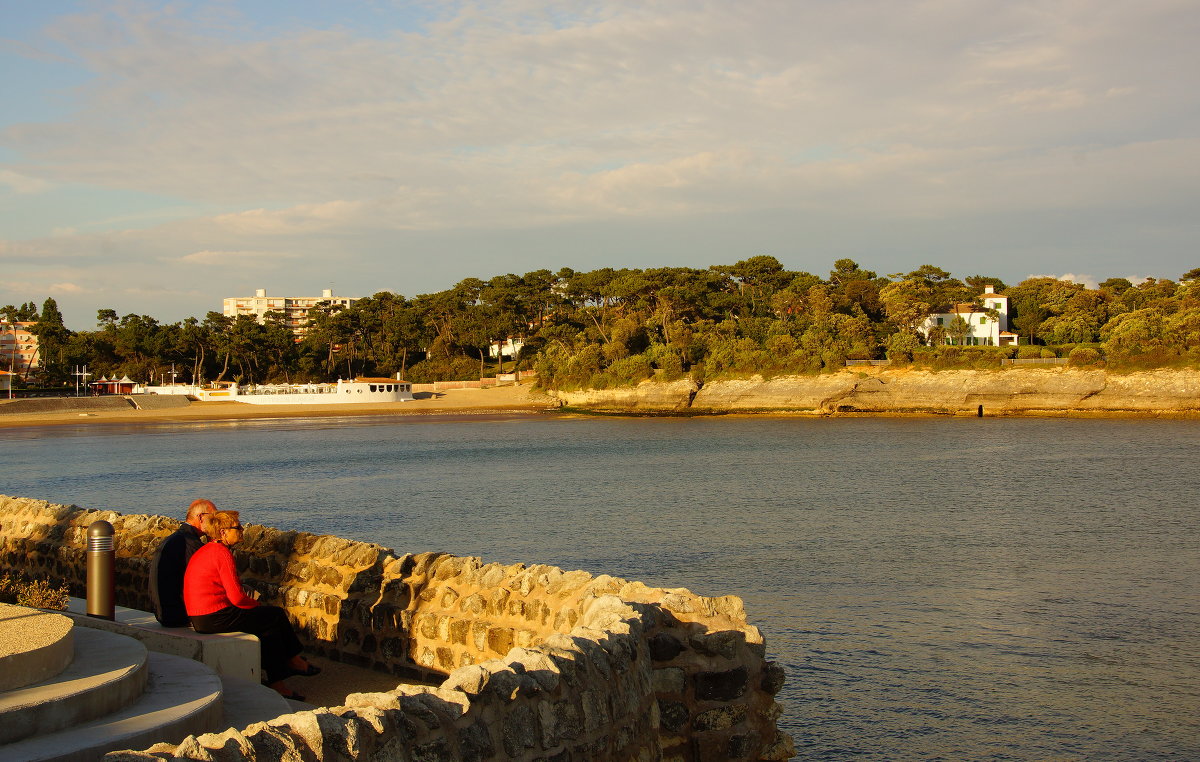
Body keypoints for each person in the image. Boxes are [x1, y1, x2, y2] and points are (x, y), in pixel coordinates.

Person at [184, 510, 320, 700]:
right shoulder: (221, 553)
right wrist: (254, 604)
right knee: (275, 615)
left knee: (267, 629)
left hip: (201, 616)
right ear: (223, 532)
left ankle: (279, 682)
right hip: (215, 616)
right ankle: (294, 661)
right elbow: (237, 597)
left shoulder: (206, 550)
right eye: (236, 527)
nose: (241, 530)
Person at [149, 498, 217, 627]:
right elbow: (210, 578)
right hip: (176, 613)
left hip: (164, 611)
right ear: (201, 517)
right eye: (213, 517)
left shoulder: (176, 538)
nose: (216, 522)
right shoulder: (190, 543)